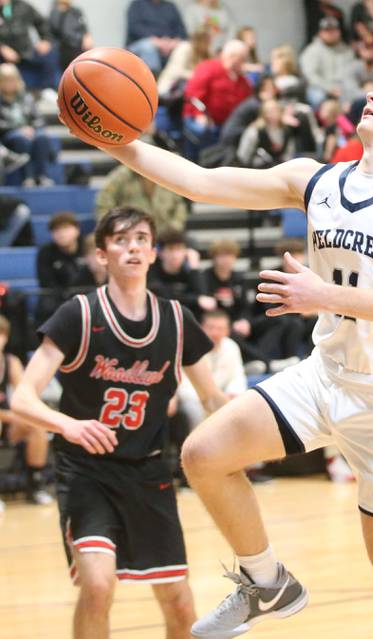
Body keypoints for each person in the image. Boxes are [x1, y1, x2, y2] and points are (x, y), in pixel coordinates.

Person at [69, 69, 373, 639]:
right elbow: (199, 181)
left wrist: (322, 295)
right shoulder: (316, 180)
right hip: (325, 376)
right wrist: (112, 139)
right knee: (204, 454)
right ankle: (266, 582)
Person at [10, 206, 226, 639]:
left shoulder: (177, 319)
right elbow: (22, 398)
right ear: (101, 254)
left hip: (149, 471)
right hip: (86, 471)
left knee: (180, 601)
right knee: (97, 585)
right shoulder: (78, 314)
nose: (133, 248)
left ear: (153, 252)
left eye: (142, 239)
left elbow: (213, 399)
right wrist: (66, 425)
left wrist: (260, 429)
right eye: (122, 240)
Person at [0, 314, 51, 508]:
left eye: (1, 335)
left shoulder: (10, 362)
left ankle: (35, 485)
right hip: (4, 418)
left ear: (6, 337)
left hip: (8, 421)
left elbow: (25, 395)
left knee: (36, 427)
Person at [182, 39, 251, 160]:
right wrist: (199, 114)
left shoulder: (242, 80)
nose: (245, 63)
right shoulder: (209, 68)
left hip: (227, 124)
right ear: (232, 56)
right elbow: (192, 94)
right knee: (201, 131)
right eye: (243, 59)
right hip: (202, 118)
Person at [0, 62, 56, 186]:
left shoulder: (26, 97)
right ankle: (27, 177)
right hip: (8, 135)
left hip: (29, 131)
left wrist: (32, 128)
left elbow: (39, 119)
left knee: (41, 137)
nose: (10, 83)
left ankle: (42, 176)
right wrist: (19, 129)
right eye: (6, 80)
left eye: (12, 80)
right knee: (21, 138)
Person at [95, 164, 189, 234]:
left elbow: (179, 204)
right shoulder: (121, 175)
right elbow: (104, 203)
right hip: (129, 232)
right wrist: (113, 227)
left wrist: (175, 225)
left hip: (165, 235)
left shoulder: (166, 174)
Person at [35, 211, 84, 326]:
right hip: (58, 297)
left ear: (77, 229)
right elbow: (45, 282)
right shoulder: (45, 252)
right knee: (47, 304)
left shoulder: (87, 247)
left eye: (66, 228)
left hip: (87, 294)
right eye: (56, 230)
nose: (61, 234)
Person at [299, 16, 356, 108]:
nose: (331, 34)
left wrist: (344, 89)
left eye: (334, 30)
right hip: (320, 88)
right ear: (320, 33)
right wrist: (330, 89)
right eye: (327, 31)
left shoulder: (347, 51)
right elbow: (310, 76)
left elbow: (351, 73)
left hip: (342, 88)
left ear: (339, 32)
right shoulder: (311, 51)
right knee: (318, 97)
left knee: (356, 97)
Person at [126, 0, 186, 76]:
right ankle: (153, 79)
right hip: (141, 43)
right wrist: (156, 41)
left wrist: (174, 41)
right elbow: (134, 28)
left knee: (185, 46)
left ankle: (177, 80)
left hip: (169, 43)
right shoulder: (137, 5)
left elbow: (181, 30)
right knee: (148, 47)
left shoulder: (171, 7)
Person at [48, 0, 93, 73]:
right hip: (63, 48)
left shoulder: (76, 11)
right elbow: (52, 32)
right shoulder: (54, 13)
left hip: (78, 46)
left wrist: (87, 37)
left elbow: (84, 27)